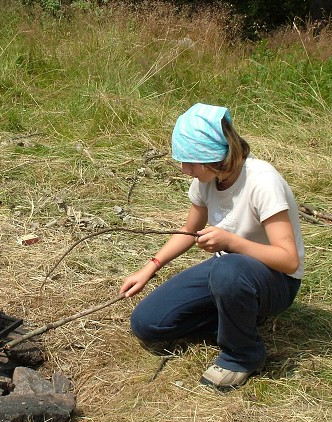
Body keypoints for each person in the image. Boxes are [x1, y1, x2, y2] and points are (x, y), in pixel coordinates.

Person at [119, 103, 304, 390]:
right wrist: (150, 268)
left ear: (212, 157)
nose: (184, 170)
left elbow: (288, 260)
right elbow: (188, 231)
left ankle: (243, 355)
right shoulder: (206, 181)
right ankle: (239, 319)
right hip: (226, 273)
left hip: (275, 281)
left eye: (190, 163)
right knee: (147, 323)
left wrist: (231, 242)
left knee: (228, 269)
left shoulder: (262, 181)